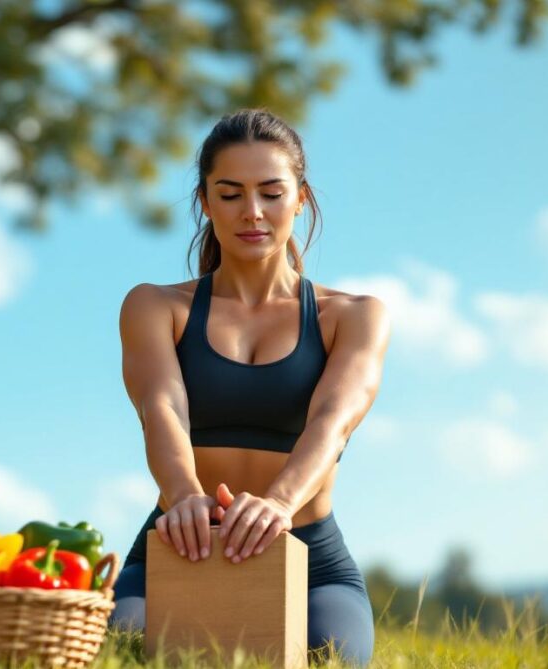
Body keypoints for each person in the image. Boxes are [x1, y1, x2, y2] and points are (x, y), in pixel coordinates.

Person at [111, 109, 390, 667]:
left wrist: (280, 503)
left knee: (329, 658)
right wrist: (186, 495)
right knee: (124, 649)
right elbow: (160, 407)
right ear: (205, 201)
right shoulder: (156, 306)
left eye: (271, 192)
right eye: (231, 193)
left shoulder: (354, 315)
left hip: (308, 554)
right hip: (179, 543)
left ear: (300, 198)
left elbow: (333, 420)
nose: (253, 212)